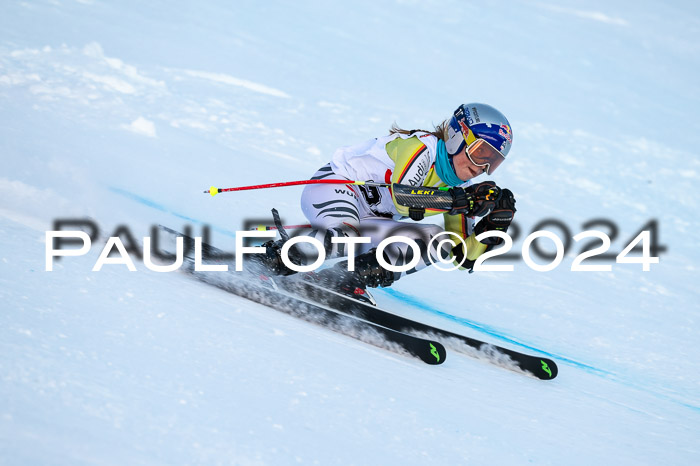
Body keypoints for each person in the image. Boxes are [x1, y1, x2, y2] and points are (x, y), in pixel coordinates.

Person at [258, 103, 517, 289]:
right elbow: (404, 198)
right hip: (337, 186)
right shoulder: (421, 148)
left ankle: (344, 280)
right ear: (457, 137)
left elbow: (462, 257)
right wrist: (462, 201)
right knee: (347, 236)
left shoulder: (461, 188)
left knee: (438, 239)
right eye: (481, 153)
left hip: (369, 216)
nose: (482, 168)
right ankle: (275, 260)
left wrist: (494, 226)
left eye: (492, 162)